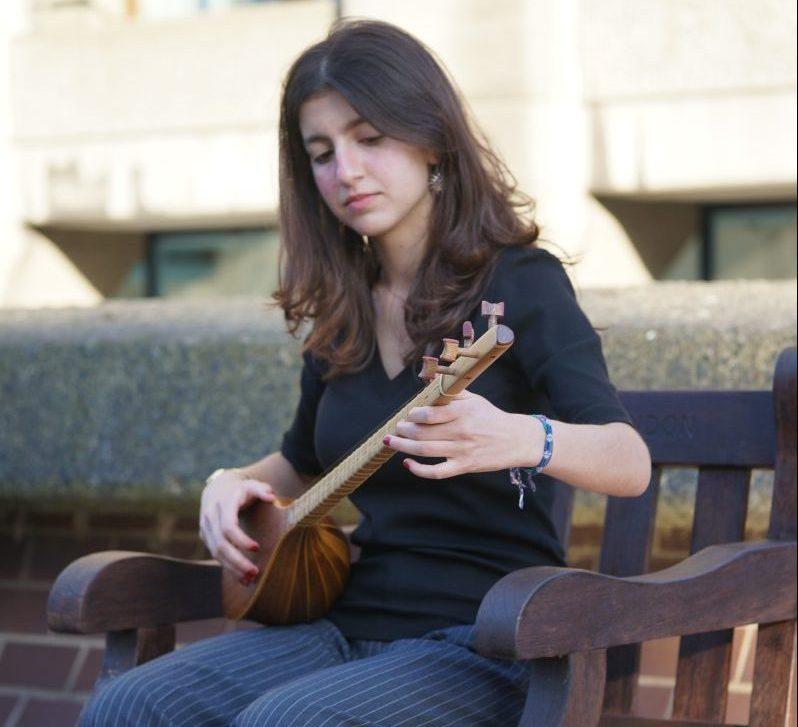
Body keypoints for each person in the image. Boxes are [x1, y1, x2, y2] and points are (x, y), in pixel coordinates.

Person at [80, 18, 651, 726]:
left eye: (369, 138)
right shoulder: (344, 309)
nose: (344, 170)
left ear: (431, 138)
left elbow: (629, 461)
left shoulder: (521, 283)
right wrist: (227, 483)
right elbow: (299, 462)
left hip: (482, 642)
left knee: (287, 721)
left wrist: (520, 436)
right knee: (129, 704)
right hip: (342, 628)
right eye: (321, 152)